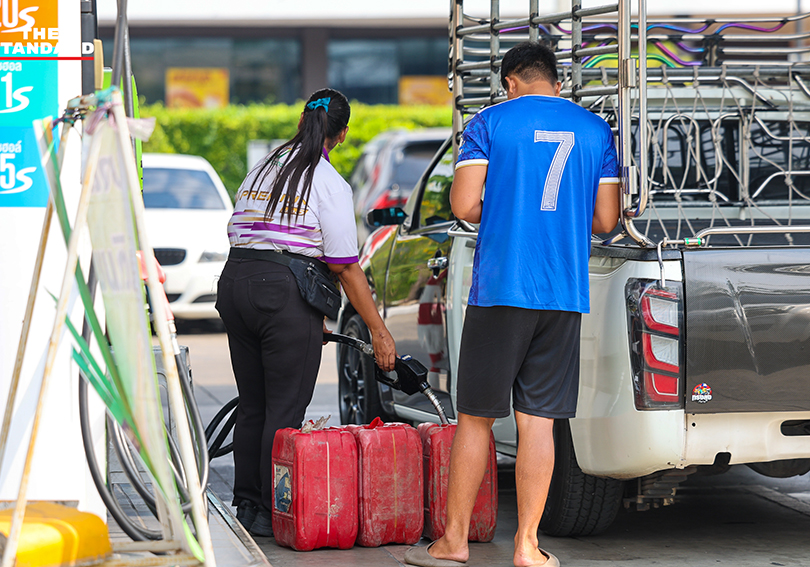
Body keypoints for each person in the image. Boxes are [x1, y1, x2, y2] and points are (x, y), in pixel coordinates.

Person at [404, 41, 620, 567]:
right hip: (563, 293)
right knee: (539, 422)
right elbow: (606, 221)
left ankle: (454, 542)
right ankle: (527, 546)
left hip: (502, 288)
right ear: (556, 82)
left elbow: (463, 205)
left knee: (476, 417)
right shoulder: (596, 131)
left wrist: (508, 205)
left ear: (510, 83)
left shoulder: (489, 123)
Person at [215, 88, 397, 537]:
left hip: (235, 282)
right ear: (343, 133)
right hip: (281, 292)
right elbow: (345, 267)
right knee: (285, 406)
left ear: (302, 120)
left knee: (254, 402)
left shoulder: (261, 168)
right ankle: (272, 512)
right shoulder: (328, 182)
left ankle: (247, 504)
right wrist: (378, 331)